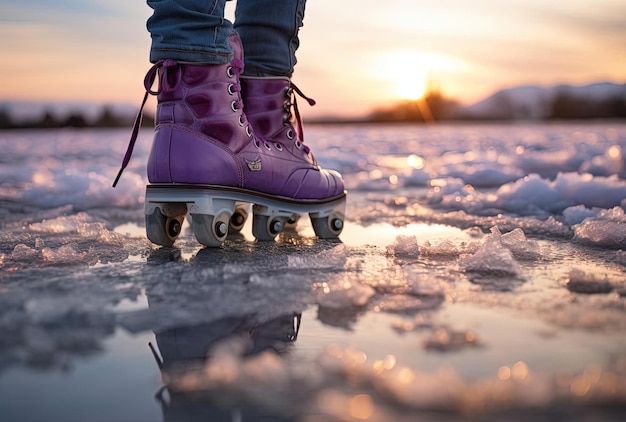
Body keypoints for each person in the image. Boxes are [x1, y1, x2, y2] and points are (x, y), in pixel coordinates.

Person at [114, 0, 346, 246]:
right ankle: (230, 150)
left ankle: (195, 141)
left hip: (168, 140)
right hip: (220, 147)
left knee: (189, 21)